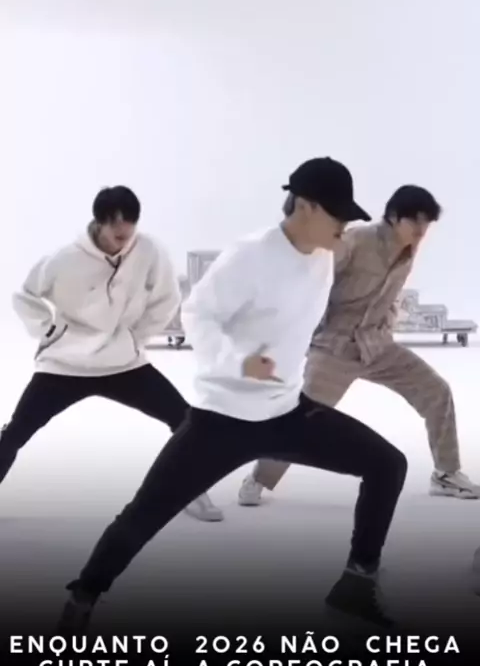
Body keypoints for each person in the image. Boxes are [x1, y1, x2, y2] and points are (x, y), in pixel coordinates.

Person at [58, 158, 408, 633]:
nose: (344, 225)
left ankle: (355, 586)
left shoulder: (323, 257)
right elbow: (197, 314)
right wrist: (238, 361)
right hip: (221, 421)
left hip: (285, 412)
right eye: (337, 215)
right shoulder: (251, 256)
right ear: (305, 206)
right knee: (144, 514)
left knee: (388, 465)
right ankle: (82, 597)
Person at [239, 186, 479, 505]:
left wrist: (388, 321)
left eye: (426, 223)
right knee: (303, 418)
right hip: (335, 349)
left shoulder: (407, 251)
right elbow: (314, 279)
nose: (421, 230)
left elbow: (389, 296)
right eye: (415, 221)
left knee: (436, 391)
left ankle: (446, 474)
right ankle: (259, 479)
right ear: (393, 217)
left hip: (377, 346)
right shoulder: (357, 240)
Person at [0, 186, 222, 523]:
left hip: (124, 363)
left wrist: (136, 338)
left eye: (130, 224)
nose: (124, 233)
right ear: (99, 223)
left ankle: (191, 494)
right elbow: (25, 296)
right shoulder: (64, 259)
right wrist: (51, 331)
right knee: (17, 431)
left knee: (186, 422)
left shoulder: (148, 250)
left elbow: (167, 297)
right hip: (65, 365)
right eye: (116, 226)